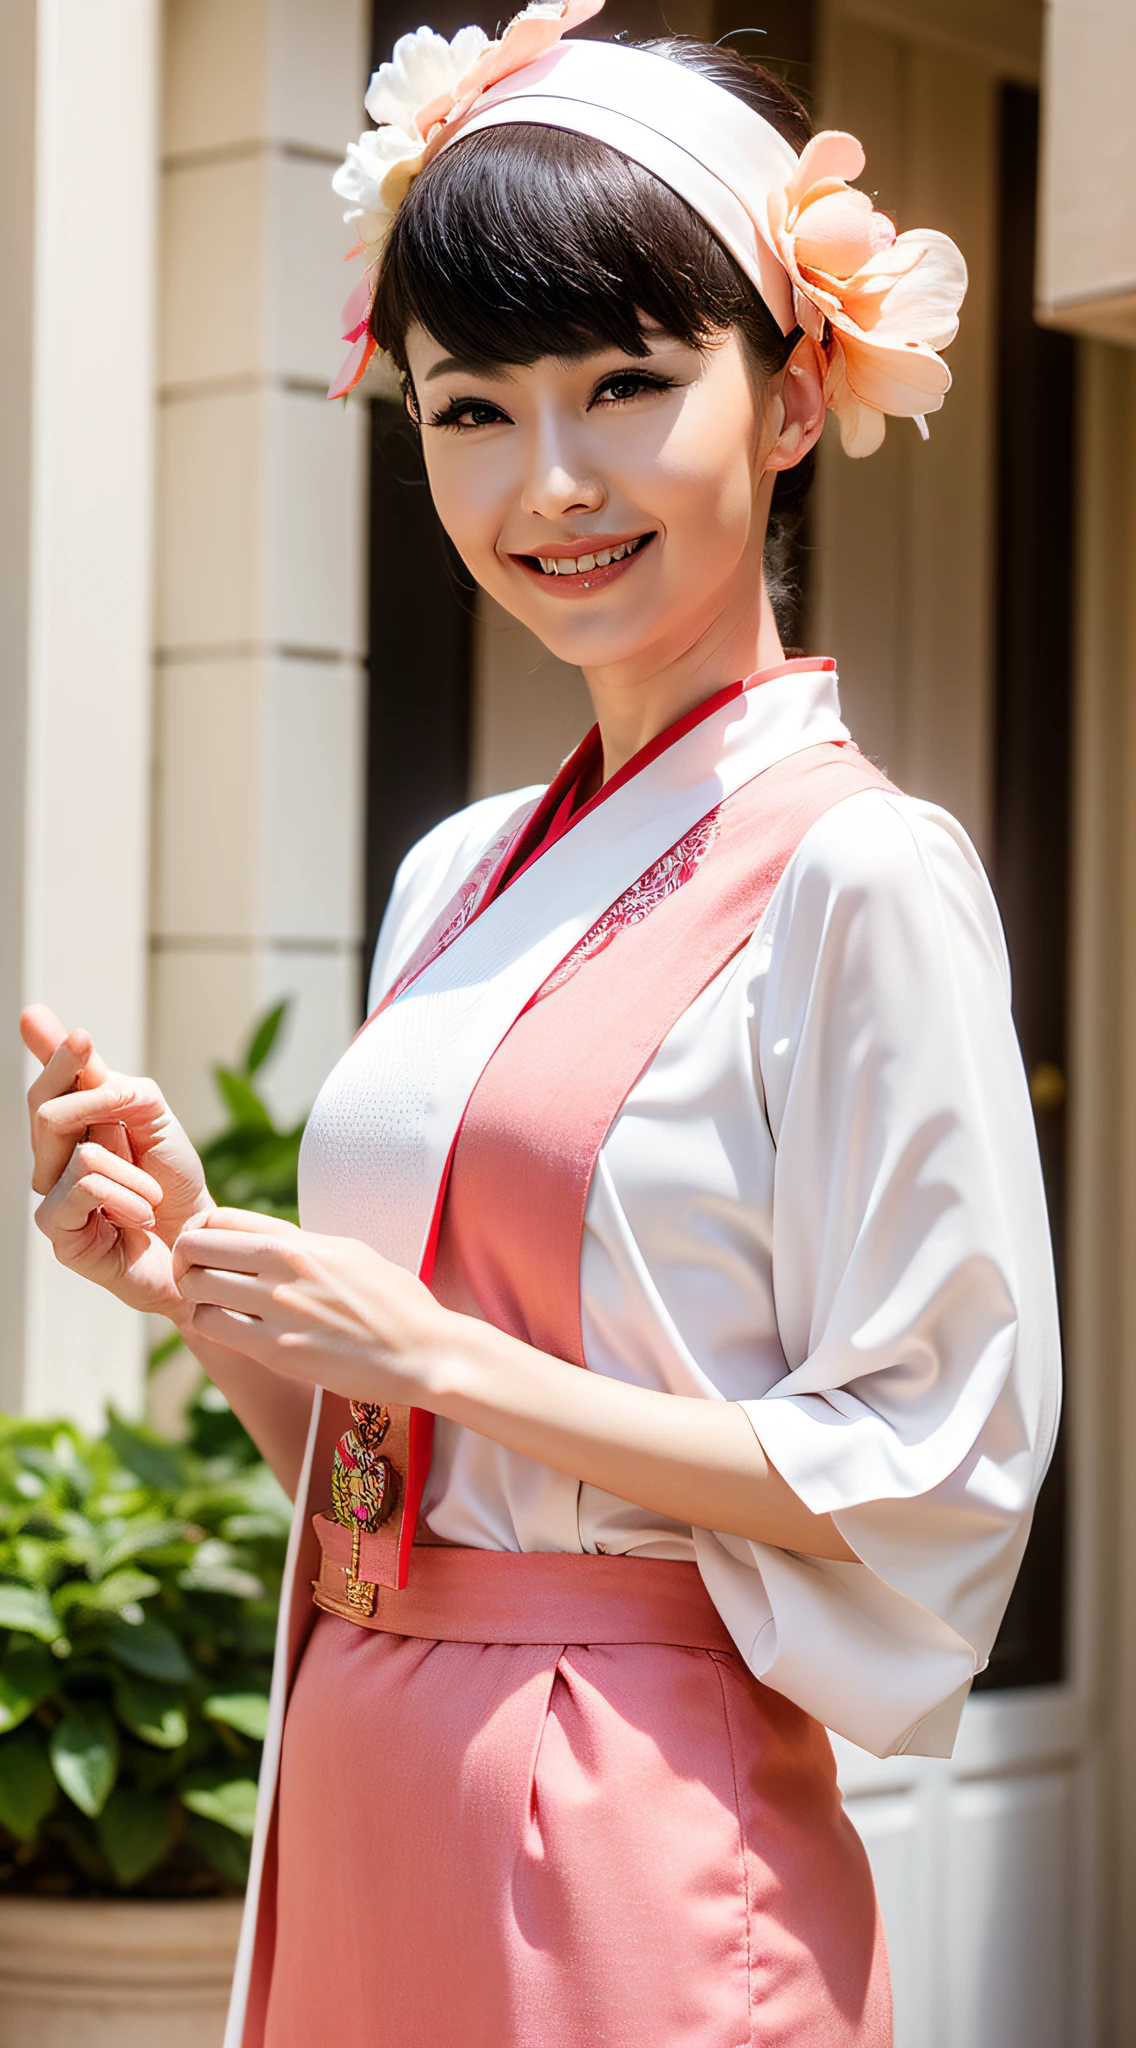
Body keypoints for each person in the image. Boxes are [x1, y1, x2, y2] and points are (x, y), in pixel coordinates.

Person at [22, 8, 1060, 2045]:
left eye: (625, 386)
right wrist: (211, 1294)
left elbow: (927, 1459)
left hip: (628, 1813)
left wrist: (440, 1352)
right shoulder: (461, 873)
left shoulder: (862, 876)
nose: (548, 481)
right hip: (368, 1747)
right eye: (467, 409)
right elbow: (393, 1464)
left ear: (787, 398)